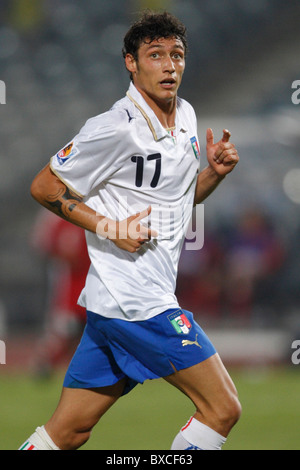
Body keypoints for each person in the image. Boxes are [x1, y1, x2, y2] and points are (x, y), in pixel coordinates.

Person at [19, 11, 241, 451]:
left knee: (68, 432)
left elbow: (177, 203)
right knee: (223, 408)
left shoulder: (187, 118)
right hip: (137, 303)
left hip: (112, 306)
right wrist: (107, 225)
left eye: (176, 55)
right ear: (131, 63)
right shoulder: (114, 128)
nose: (169, 65)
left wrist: (213, 174)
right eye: (155, 55)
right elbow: (44, 186)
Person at [30, 210, 90, 375]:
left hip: (96, 282)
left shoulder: (101, 206)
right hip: (69, 284)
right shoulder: (56, 215)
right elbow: (41, 242)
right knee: (64, 329)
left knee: (100, 329)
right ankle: (45, 364)